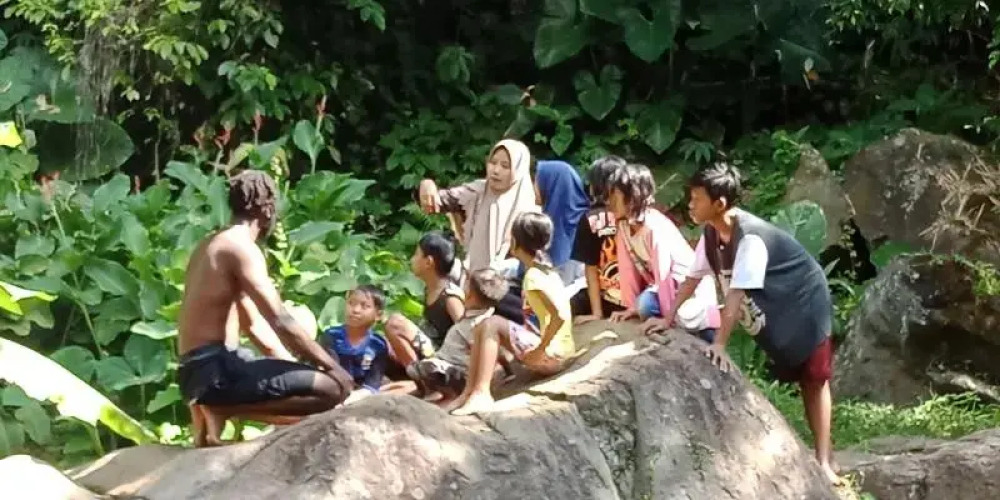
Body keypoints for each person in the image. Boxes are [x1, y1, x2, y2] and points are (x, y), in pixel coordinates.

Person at [649, 162, 838, 484]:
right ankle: (822, 453)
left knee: (815, 379)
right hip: (776, 304)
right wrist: (667, 318)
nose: (690, 205)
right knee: (802, 378)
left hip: (804, 301)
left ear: (719, 203)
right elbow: (692, 278)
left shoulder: (750, 239)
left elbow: (736, 293)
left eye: (696, 199)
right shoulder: (711, 234)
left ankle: (824, 460)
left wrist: (720, 344)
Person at [176, 170, 353, 448]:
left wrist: (294, 366)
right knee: (332, 388)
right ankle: (222, 409)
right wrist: (334, 369)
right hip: (215, 373)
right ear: (267, 209)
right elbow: (280, 320)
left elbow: (254, 326)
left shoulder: (210, 244)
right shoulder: (241, 248)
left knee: (310, 381)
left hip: (198, 372)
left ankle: (218, 411)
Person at [450, 212, 575, 416]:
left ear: (515, 242)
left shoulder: (533, 277)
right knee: (483, 326)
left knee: (490, 324)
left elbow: (558, 316)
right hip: (559, 352)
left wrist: (540, 349)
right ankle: (469, 392)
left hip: (552, 356)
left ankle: (481, 393)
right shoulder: (547, 271)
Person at [606, 163, 720, 342]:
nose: (609, 201)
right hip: (665, 291)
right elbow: (627, 271)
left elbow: (664, 273)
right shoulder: (623, 226)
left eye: (615, 195)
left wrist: (667, 319)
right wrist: (630, 308)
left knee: (703, 334)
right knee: (643, 304)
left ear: (632, 197)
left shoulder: (654, 226)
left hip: (688, 291)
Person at [417, 138, 538, 276]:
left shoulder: (530, 211)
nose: (496, 170)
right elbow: (436, 201)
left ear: (518, 169)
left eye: (505, 166)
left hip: (511, 282)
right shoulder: (476, 192)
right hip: (473, 278)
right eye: (493, 163)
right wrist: (426, 185)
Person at [406, 268, 509, 408]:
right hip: (445, 359)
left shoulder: (478, 324)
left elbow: (490, 349)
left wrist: (506, 369)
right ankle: (439, 392)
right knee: (417, 369)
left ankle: (452, 395)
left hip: (457, 369)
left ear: (470, 295)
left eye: (466, 286)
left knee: (432, 369)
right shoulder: (473, 315)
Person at [384, 232, 465, 370]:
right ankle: (417, 371)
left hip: (446, 359)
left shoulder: (450, 297)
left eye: (416, 255)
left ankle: (421, 375)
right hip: (431, 349)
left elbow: (467, 333)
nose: (412, 259)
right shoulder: (430, 289)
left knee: (395, 323)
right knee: (382, 344)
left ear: (428, 262)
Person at [570, 156, 627, 323]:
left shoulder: (590, 219)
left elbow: (591, 268)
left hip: (606, 299)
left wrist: (597, 314)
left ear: (595, 186)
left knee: (568, 305)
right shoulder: (634, 213)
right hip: (635, 301)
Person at [319, 285, 390, 402]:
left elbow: (373, 383)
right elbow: (330, 370)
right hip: (333, 388)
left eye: (365, 306)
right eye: (351, 303)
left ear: (378, 315)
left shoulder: (378, 344)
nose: (355, 310)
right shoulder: (331, 336)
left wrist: (357, 396)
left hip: (363, 394)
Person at [534, 160, 589, 287]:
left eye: (537, 181)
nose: (533, 186)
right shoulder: (549, 216)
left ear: (552, 184)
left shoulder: (586, 224)